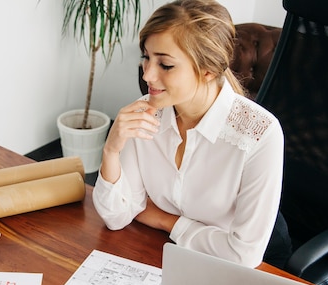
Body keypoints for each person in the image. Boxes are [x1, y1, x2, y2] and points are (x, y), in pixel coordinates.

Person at [93, 0, 290, 268]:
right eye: (146, 58)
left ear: (207, 70)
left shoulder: (261, 135)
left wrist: (166, 220)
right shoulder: (146, 115)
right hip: (171, 253)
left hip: (256, 268)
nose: (148, 75)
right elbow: (118, 216)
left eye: (166, 65)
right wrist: (111, 150)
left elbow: (243, 255)